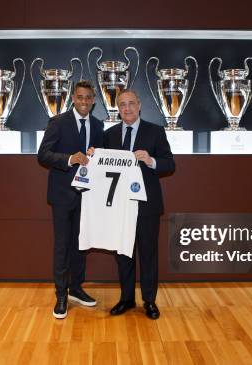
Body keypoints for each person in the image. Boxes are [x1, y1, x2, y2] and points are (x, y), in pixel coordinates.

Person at [103, 89, 175, 319]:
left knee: (148, 254)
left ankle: (149, 301)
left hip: (147, 206)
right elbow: (103, 168)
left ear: (139, 105)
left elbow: (169, 164)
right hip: (120, 206)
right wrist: (93, 156)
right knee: (123, 254)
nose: (127, 108)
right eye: (122, 104)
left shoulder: (155, 131)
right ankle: (126, 299)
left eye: (131, 103)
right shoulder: (110, 134)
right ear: (117, 108)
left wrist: (151, 160)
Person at [37, 80, 104, 319]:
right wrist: (70, 159)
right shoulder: (58, 122)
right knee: (63, 245)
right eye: (80, 97)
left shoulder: (98, 125)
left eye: (88, 97)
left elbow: (101, 159)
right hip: (62, 195)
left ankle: (76, 287)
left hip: (87, 196)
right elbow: (43, 154)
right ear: (73, 98)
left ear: (94, 100)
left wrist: (98, 156)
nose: (84, 101)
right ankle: (61, 294)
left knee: (81, 245)